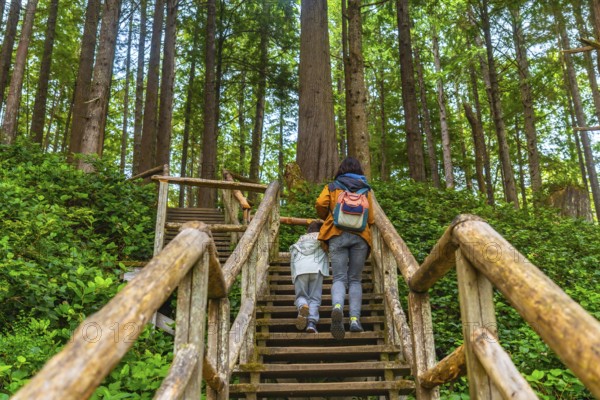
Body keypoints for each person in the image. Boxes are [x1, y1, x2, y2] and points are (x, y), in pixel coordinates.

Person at [315, 157, 374, 340]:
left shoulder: (333, 186)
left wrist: (330, 216)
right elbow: (371, 218)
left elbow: (320, 204)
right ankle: (355, 320)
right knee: (355, 279)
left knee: (339, 278)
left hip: (336, 233)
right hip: (360, 236)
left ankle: (337, 307)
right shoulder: (366, 189)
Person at [289, 220, 329, 333]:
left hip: (300, 269)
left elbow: (293, 257)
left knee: (301, 295)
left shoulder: (300, 240)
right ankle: (311, 323)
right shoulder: (322, 240)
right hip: (316, 270)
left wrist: (293, 275)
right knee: (314, 297)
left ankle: (302, 306)